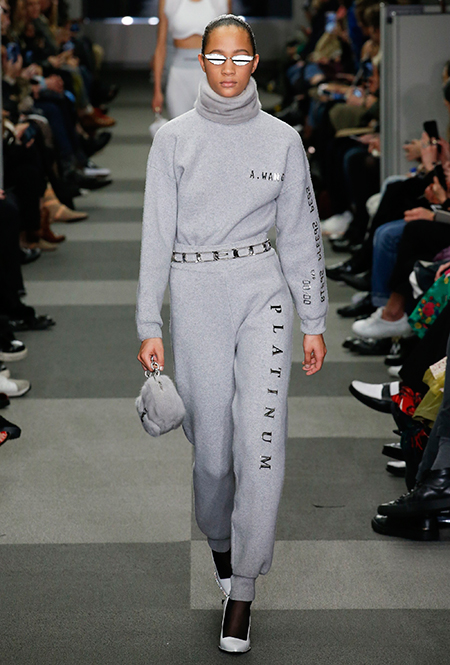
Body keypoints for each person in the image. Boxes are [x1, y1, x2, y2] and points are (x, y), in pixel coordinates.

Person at [137, 15, 328, 652]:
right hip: (195, 294)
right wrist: (148, 322)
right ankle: (221, 548)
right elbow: (155, 237)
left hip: (262, 292)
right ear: (202, 62)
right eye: (216, 58)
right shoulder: (173, 140)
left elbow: (299, 233)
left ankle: (242, 590)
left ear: (254, 62)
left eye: (239, 57)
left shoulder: (282, 139)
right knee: (214, 455)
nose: (227, 69)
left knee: (261, 440)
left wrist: (313, 319)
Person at [151, 0, 231, 118]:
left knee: (213, 126)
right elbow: (160, 47)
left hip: (212, 74)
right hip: (179, 77)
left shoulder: (221, 2)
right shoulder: (168, 2)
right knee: (179, 126)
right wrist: (157, 90)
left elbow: (230, 43)